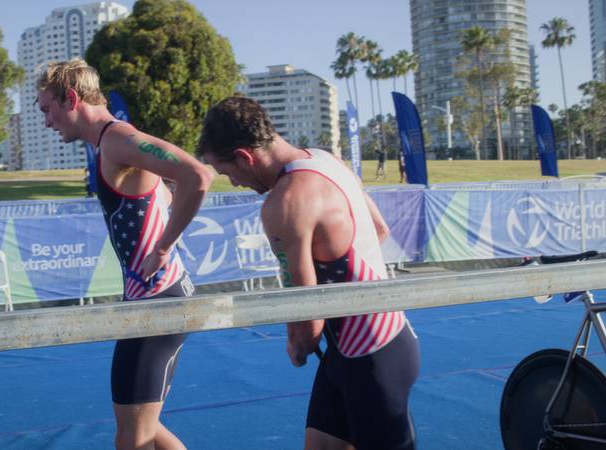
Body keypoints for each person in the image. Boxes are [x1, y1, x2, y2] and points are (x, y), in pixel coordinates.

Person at [197, 97, 419, 450]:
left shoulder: (284, 203)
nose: (235, 183)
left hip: (370, 357)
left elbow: (306, 317)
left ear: (245, 157)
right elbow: (378, 229)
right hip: (370, 344)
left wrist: (298, 345)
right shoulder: (326, 159)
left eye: (229, 173)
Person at [36, 59, 212, 450]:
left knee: (132, 438)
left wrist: (164, 245)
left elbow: (197, 176)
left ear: (71, 98)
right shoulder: (110, 144)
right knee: (140, 430)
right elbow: (164, 191)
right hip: (149, 300)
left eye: (47, 109)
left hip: (159, 302)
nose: (47, 121)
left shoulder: (117, 140)